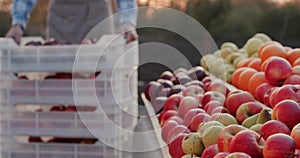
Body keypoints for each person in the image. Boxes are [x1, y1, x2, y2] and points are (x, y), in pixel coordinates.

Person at [5, 0, 138, 44]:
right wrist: (18, 23)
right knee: (58, 75)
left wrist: (127, 21)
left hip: (97, 13)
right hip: (60, 14)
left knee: (98, 73)